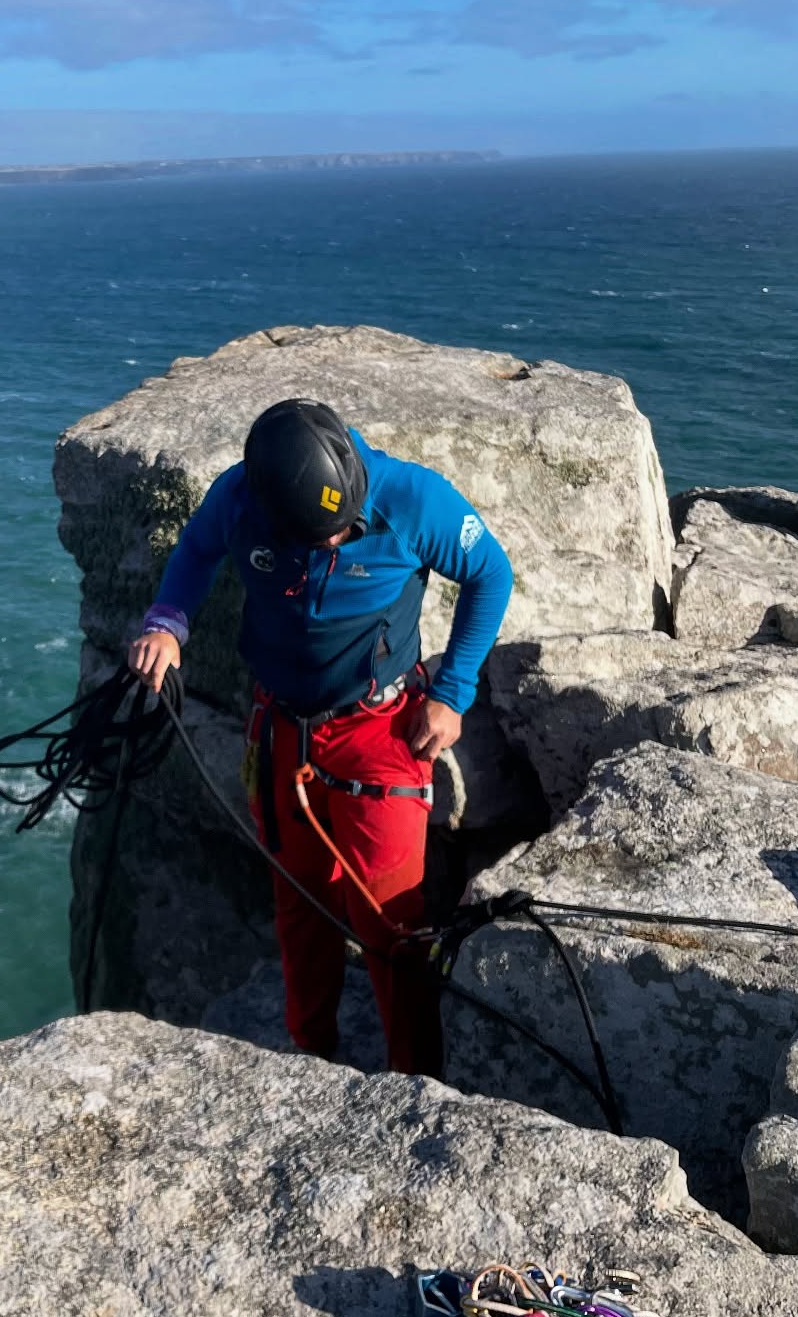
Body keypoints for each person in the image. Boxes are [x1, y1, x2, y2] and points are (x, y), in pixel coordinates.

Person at [127, 398, 513, 1078]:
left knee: (390, 922)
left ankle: (413, 1083)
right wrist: (167, 621)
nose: (337, 541)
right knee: (298, 901)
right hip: (282, 728)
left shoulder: (411, 496)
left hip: (381, 728)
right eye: (320, 535)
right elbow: (195, 550)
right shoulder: (238, 496)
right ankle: (311, 1058)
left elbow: (491, 572)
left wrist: (453, 693)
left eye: (347, 528)